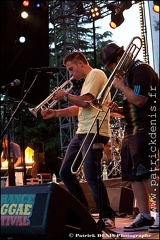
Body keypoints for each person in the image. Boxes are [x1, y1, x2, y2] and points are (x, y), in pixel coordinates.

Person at [41, 51, 116, 229]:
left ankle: (107, 216)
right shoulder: (86, 82)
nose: (70, 73)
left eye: (71, 68)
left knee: (91, 174)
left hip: (94, 129)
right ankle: (84, 213)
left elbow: (86, 102)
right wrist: (56, 113)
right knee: (65, 172)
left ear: (81, 63)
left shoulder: (95, 74)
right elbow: (79, 107)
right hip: (83, 130)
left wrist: (64, 96)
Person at [100, 41, 160, 232]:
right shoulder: (129, 75)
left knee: (145, 172)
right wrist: (118, 110)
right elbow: (132, 107)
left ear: (119, 59)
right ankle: (144, 215)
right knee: (134, 174)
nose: (111, 70)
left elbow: (140, 99)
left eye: (111, 65)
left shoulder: (141, 69)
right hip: (133, 128)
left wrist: (120, 86)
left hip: (146, 125)